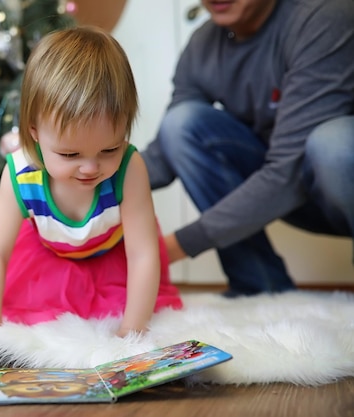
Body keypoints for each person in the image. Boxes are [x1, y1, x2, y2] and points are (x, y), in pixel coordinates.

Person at [0, 26, 182, 337]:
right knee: (31, 312)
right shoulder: (20, 173)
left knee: (123, 304)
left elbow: (142, 254)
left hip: (112, 260)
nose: (90, 168)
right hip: (45, 260)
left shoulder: (130, 167)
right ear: (34, 131)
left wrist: (132, 330)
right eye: (70, 154)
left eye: (109, 149)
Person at [140, 0, 354, 297]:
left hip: (329, 178)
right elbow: (161, 157)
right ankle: (260, 289)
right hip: (288, 191)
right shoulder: (203, 44)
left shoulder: (322, 18)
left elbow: (285, 175)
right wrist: (84, 173)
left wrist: (166, 249)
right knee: (181, 123)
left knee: (334, 145)